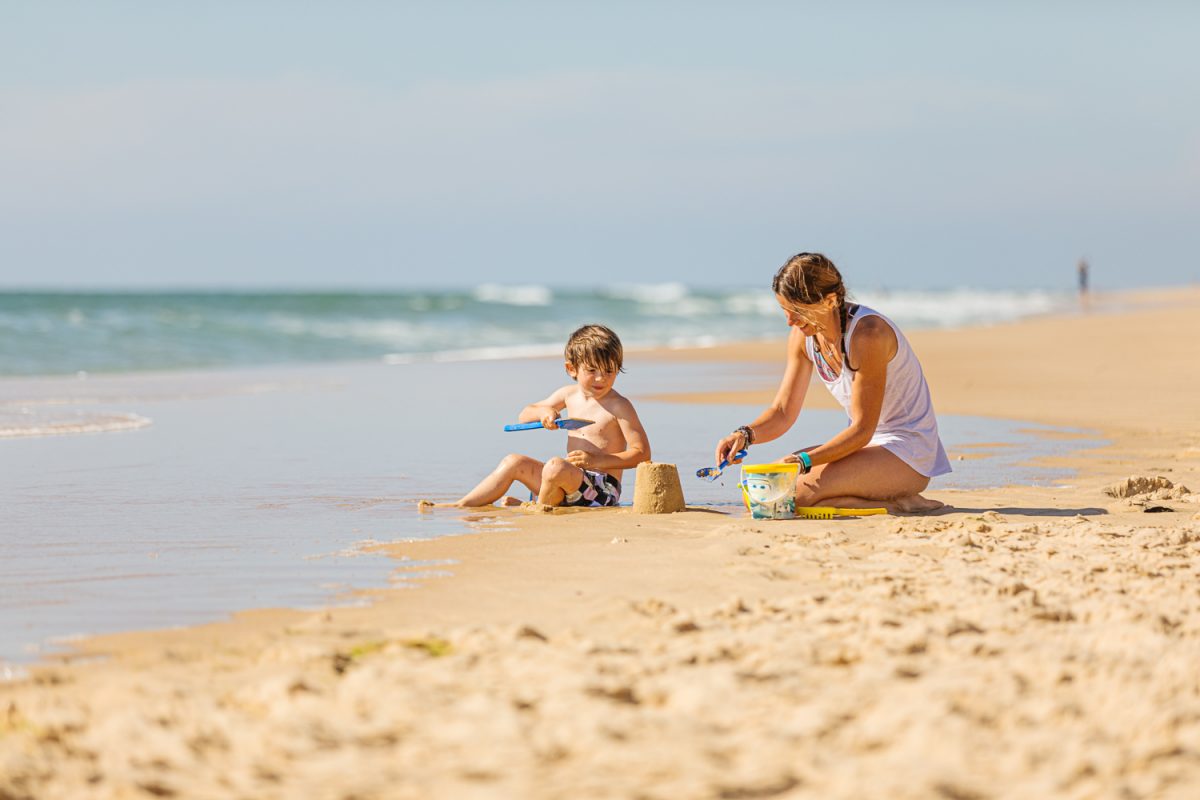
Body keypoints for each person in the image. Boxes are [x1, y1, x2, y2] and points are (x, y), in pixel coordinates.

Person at [713, 252, 950, 513]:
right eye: (785, 310)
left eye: (798, 311)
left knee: (787, 496)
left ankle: (899, 499)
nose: (790, 321)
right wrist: (744, 435)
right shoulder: (802, 337)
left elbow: (862, 429)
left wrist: (804, 461)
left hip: (908, 453)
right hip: (864, 448)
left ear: (830, 300)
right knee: (760, 494)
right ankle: (887, 501)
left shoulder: (868, 335)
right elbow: (782, 412)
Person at [451, 324, 651, 508]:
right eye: (592, 370)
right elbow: (524, 415)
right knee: (514, 461)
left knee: (555, 466)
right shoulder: (568, 395)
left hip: (602, 490)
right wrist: (544, 412)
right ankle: (461, 505)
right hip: (570, 481)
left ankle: (537, 509)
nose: (601, 378)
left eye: (609, 370)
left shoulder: (620, 406)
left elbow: (642, 454)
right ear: (571, 369)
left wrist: (597, 460)